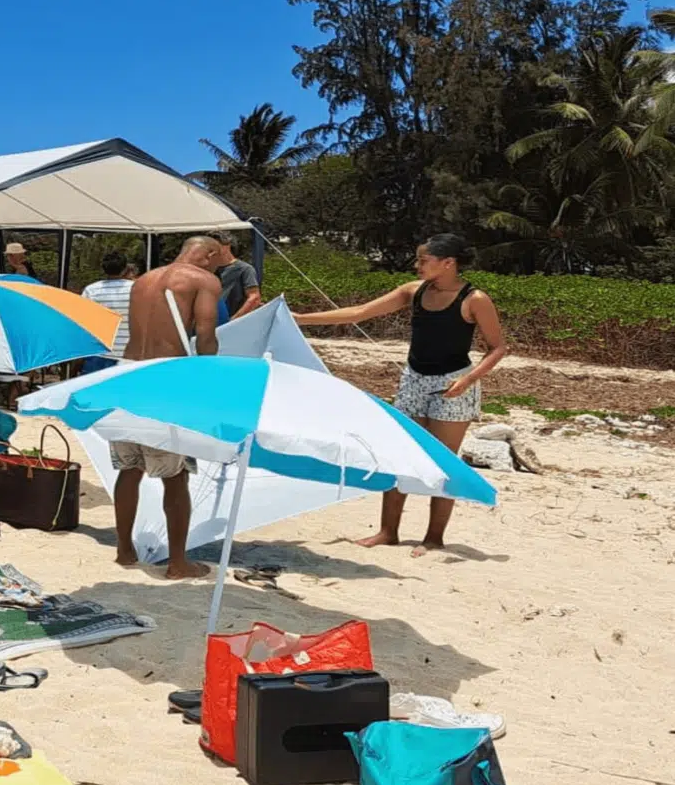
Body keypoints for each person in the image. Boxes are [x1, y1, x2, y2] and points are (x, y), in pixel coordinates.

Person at [295, 232, 508, 554]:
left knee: (443, 463)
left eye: (424, 260)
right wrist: (301, 320)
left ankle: (434, 538)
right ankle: (388, 531)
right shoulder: (413, 291)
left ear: (448, 263)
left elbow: (498, 348)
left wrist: (468, 380)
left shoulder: (474, 299)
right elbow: (360, 313)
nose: (417, 265)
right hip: (413, 380)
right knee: (398, 455)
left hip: (453, 384)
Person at [113, 236, 224, 578]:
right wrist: (211, 370)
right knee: (176, 474)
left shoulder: (144, 279)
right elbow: (205, 334)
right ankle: (178, 563)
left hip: (128, 372)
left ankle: (124, 550)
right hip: (166, 379)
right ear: (208, 256)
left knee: (129, 468)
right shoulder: (204, 280)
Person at [79, 253, 136, 373]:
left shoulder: (91, 290)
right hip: (127, 353)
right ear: (125, 268)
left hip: (98, 351)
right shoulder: (136, 289)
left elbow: (82, 321)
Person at [211, 231, 261, 321]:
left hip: (233, 322)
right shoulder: (209, 270)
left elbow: (254, 298)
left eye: (216, 245)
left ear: (227, 245)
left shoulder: (245, 269)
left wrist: (234, 320)